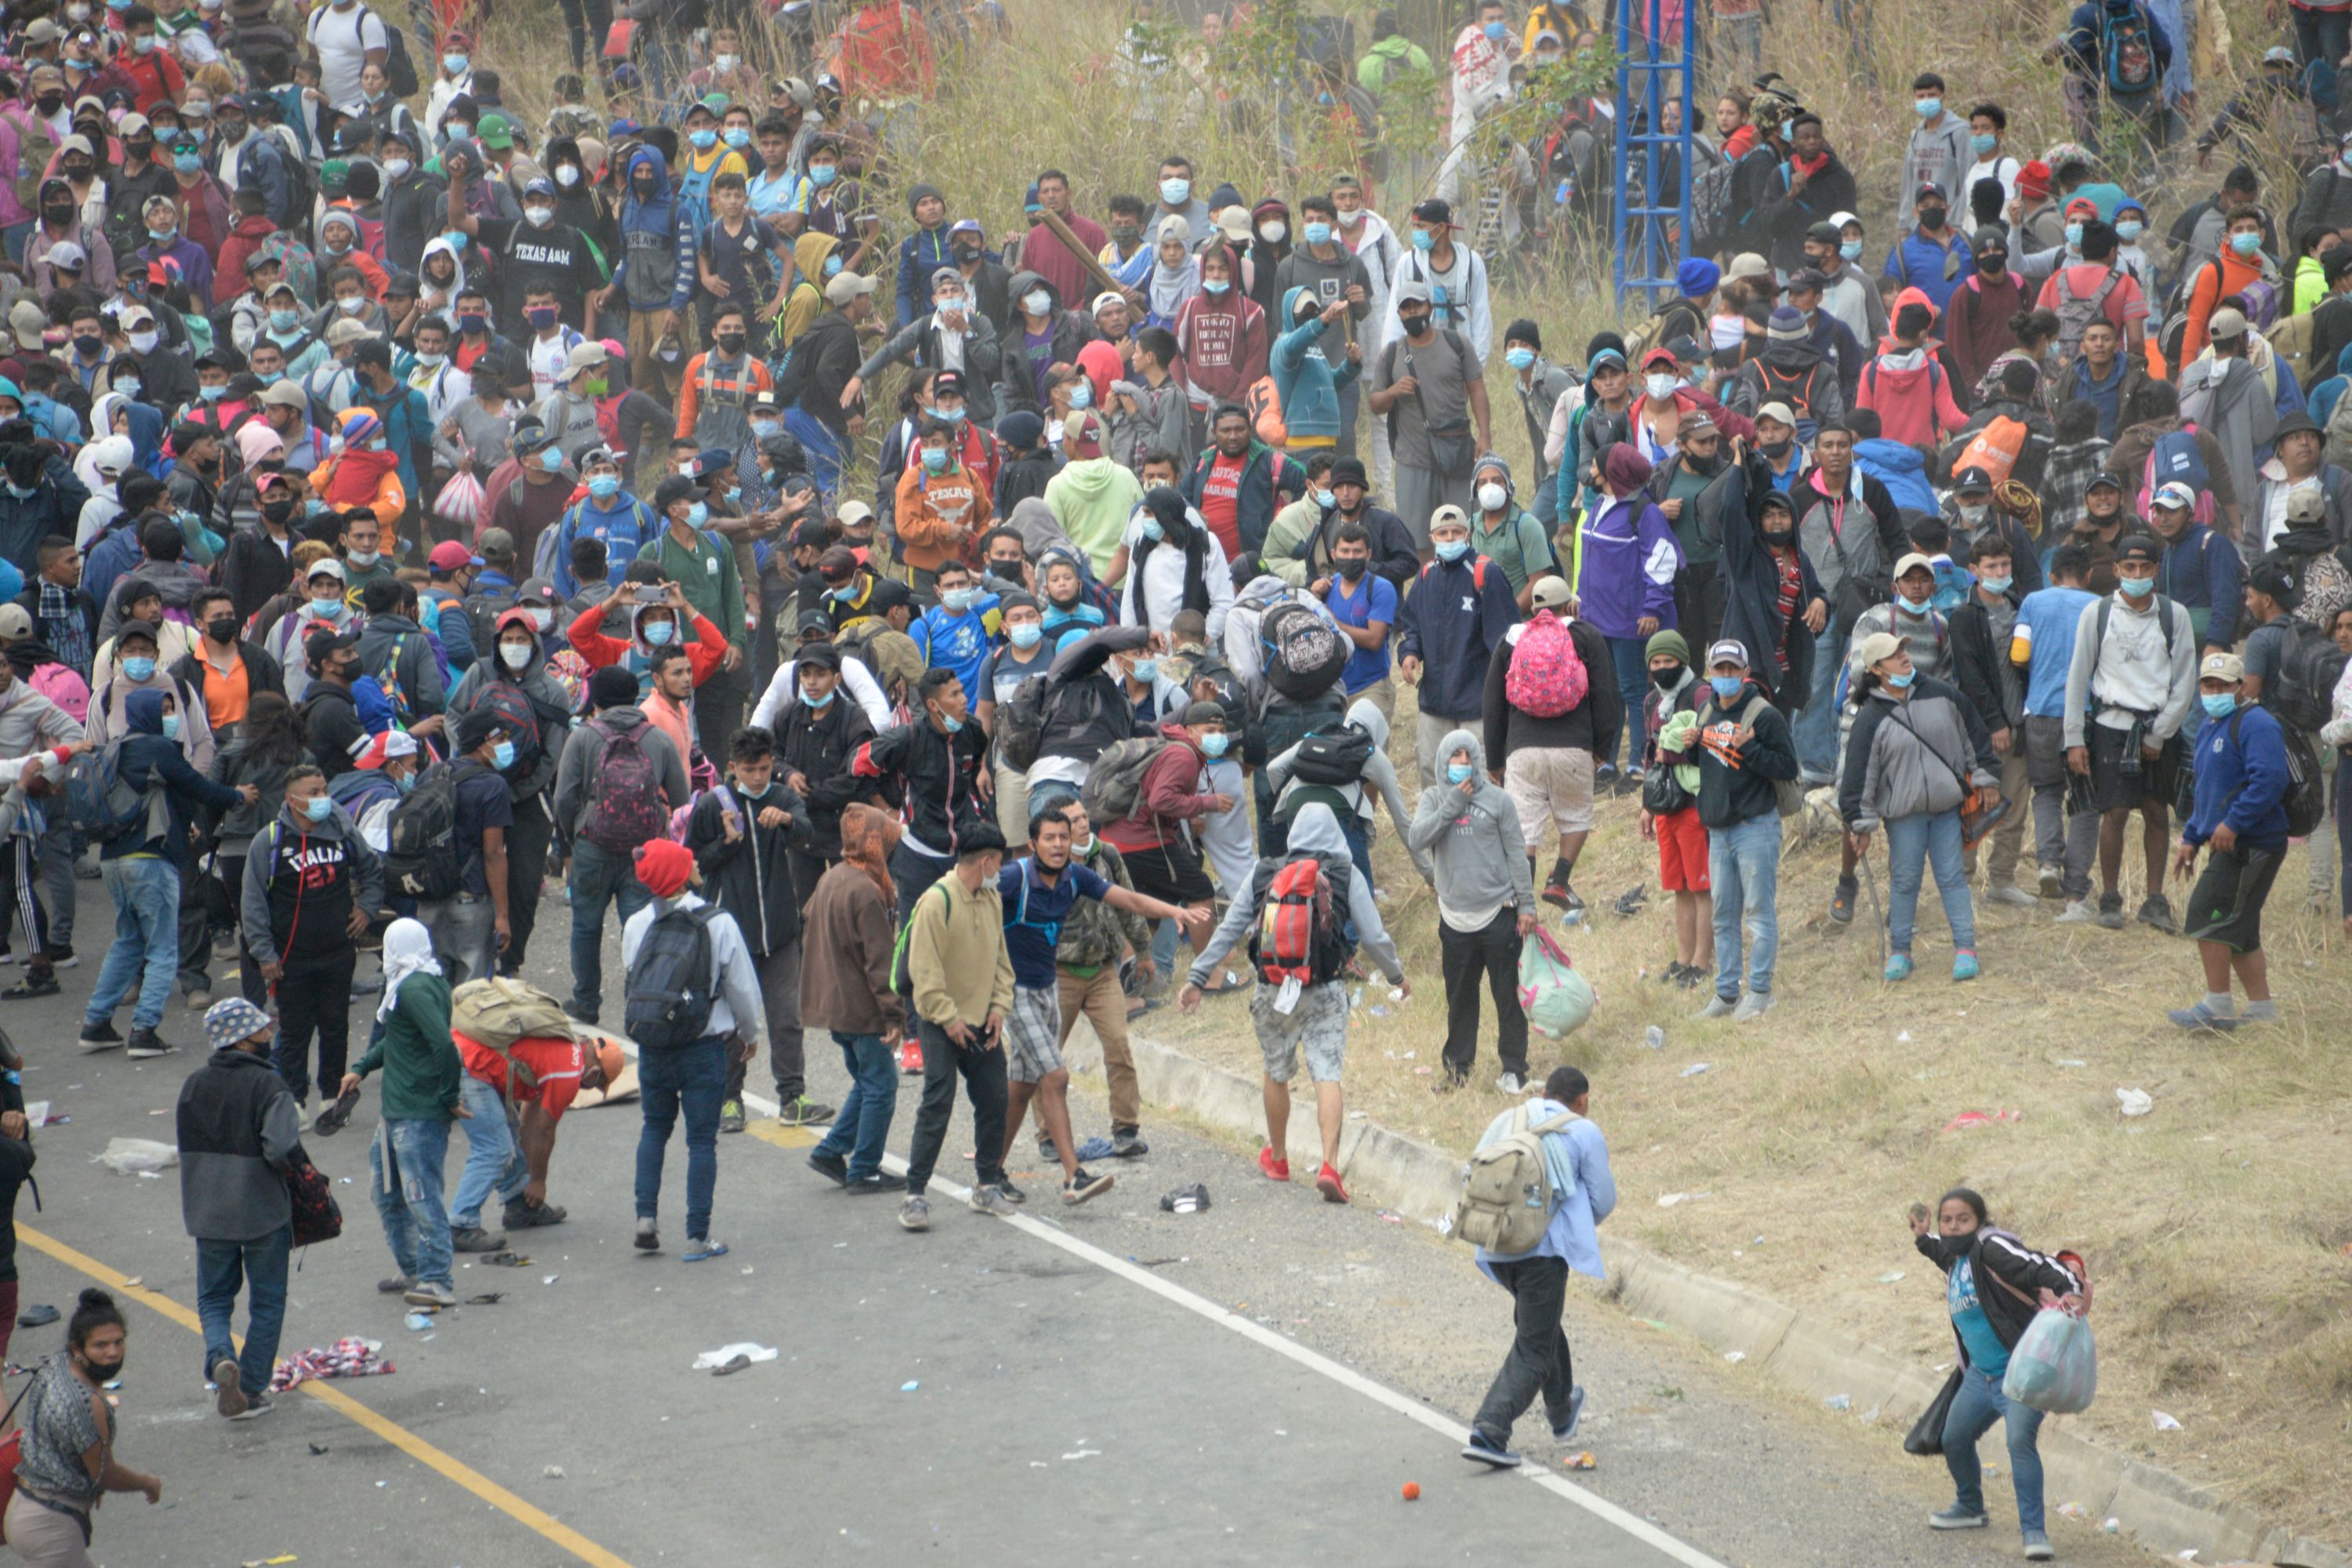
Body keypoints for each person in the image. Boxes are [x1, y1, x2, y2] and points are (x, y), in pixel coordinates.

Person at [1178, 803, 1407, 1205]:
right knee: (1327, 1074)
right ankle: (1330, 1165)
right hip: (1326, 989)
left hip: (1273, 990)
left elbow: (1231, 927)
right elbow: (1372, 936)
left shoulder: (1266, 871)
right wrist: (1397, 976)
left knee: (1276, 1071)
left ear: (1295, 834)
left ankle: (1279, 1158)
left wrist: (1198, 976)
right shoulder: (1344, 873)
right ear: (1334, 834)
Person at [996, 801, 1199, 1203]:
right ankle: (1074, 1176)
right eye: (1049, 838)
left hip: (1048, 989)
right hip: (1016, 992)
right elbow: (965, 895)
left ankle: (990, 1172)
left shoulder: (1079, 875)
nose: (1057, 845)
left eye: (1064, 837)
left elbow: (1132, 902)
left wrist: (1175, 910)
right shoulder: (1012, 878)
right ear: (1033, 844)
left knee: (1021, 1087)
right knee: (1055, 1075)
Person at [1910, 1188, 2085, 1562]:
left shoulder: (1992, 1250)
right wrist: (1924, 1238)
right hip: (1980, 1376)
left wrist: (2070, 1289)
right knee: (1954, 1437)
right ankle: (1970, 1507)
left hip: (2020, 1375)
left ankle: (2034, 1533)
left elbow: (2039, 1265)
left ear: (1980, 1221)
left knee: (2019, 1443)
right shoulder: (1958, 1259)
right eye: (1947, 1221)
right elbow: (1944, 1253)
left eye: (1963, 1220)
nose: (1954, 1227)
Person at [78, 688, 252, 1058]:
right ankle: (144, 1030)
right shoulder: (159, 749)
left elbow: (163, 797)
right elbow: (200, 788)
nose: (172, 716)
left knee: (128, 941)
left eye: (173, 708)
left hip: (113, 859)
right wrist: (238, 796)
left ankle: (96, 1024)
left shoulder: (120, 748)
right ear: (147, 715)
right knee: (162, 948)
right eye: (166, 710)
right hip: (150, 860)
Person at [1458, 1064, 1615, 1470]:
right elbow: (1604, 1200)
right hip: (1542, 1254)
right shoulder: (1583, 1130)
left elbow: (1470, 1172)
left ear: (1545, 1092)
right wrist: (1566, 1221)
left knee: (1542, 1325)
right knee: (1533, 1346)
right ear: (1582, 1101)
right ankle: (1490, 1429)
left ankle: (1562, 1411)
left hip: (1495, 1246)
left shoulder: (1508, 1118)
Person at [622, 837, 765, 1261]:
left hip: (654, 1046)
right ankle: (697, 1235)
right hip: (703, 1046)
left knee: (654, 1128)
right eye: (689, 862)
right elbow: (740, 985)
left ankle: (645, 1217)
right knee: (701, 1141)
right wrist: (750, 1033)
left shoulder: (636, 923)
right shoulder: (718, 922)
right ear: (682, 875)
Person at [684, 725, 832, 1132]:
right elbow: (691, 865)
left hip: (782, 933)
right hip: (732, 938)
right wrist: (727, 843)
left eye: (765, 769)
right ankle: (730, 1100)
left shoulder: (784, 798)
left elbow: (806, 834)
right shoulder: (713, 806)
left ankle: (792, 1097)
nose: (758, 778)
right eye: (749, 770)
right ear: (733, 768)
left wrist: (786, 821)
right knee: (730, 1022)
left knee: (786, 1018)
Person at [1841, 630, 2002, 982]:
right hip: (1903, 818)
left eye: (1903, 650)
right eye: (1894, 654)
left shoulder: (1943, 694)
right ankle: (1901, 952)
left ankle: (1966, 949)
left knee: (1952, 878)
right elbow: (1859, 776)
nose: (1904, 657)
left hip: (1946, 810)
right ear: (1876, 670)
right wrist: (1861, 825)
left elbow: (1974, 737)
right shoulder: (1869, 718)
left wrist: (1986, 778)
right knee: (1904, 882)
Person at [2062, 536, 2198, 931]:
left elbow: (2185, 680)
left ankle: (2155, 901)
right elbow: (2078, 676)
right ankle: (2109, 897)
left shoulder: (2175, 616)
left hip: (2157, 725)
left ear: (2156, 571)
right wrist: (2073, 737)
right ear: (2117, 570)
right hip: (2111, 725)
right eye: (2129, 568)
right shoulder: (2098, 612)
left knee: (2157, 811)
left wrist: (2160, 734)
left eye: (2145, 568)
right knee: (2115, 812)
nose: (2137, 576)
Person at [177, 996, 299, 1422]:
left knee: (213, 1298)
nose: (270, 1035)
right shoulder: (270, 1086)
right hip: (261, 1210)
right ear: (244, 1040)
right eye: (263, 1030)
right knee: (267, 1301)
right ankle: (249, 1388)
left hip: (207, 1211)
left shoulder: (192, 1085)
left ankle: (221, 1359)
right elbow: (282, 1148)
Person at [897, 824, 1017, 1232]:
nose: (1000, 870)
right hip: (940, 1023)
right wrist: (949, 1020)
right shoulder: (936, 902)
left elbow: (1002, 961)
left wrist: (999, 1007)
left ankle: (986, 1185)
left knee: (995, 1099)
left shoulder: (991, 898)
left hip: (982, 1021)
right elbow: (924, 973)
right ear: (985, 862)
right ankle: (915, 1195)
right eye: (998, 863)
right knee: (938, 1102)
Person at [340, 916, 463, 1308]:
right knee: (387, 1192)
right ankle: (413, 1268)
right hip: (397, 1112)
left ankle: (437, 1280)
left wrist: (448, 1097)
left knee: (420, 1195)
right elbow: (397, 1041)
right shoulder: (416, 983)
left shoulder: (413, 989)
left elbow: (444, 1047)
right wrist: (361, 1068)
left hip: (416, 1115)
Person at [242, 764, 382, 1108]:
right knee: (294, 1034)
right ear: (292, 800)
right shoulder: (270, 842)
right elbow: (253, 902)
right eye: (314, 793)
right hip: (291, 960)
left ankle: (332, 1096)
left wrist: (366, 909)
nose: (323, 799)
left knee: (336, 1028)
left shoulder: (343, 832)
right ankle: (294, 1102)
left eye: (324, 791)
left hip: (338, 953)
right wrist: (264, 953)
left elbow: (373, 871)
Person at [556, 665, 689, 1024]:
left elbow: (564, 799)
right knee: (641, 926)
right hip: (643, 852)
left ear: (595, 700)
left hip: (592, 846)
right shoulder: (658, 739)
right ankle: (640, 1001)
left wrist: (576, 834)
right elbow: (681, 799)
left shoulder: (582, 737)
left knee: (586, 926)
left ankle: (586, 1002)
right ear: (636, 697)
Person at [1409, 729, 1537, 1094]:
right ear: (1443, 762)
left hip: (1498, 914)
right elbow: (1417, 839)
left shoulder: (1498, 800)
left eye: (1468, 758)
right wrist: (1451, 807)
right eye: (1455, 758)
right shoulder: (1433, 798)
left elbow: (1517, 854)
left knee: (1507, 998)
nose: (1463, 764)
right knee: (1460, 1000)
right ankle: (1457, 1072)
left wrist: (1526, 905)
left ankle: (1514, 1068)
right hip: (1454, 919)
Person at [1482, 576, 1620, 914]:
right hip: (1574, 748)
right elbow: (1607, 696)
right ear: (1569, 606)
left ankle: (1519, 898)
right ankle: (1559, 879)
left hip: (1522, 750)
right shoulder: (1587, 636)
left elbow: (1493, 703)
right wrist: (1602, 749)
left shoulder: (1512, 639)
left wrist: (1495, 759)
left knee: (1524, 828)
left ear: (1533, 608)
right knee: (1574, 818)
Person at [2168, 652, 2288, 1029]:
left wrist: (2234, 823)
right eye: (2208, 685)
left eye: (2223, 685)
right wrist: (2191, 837)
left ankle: (2217, 1006)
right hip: (2228, 840)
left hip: (2252, 842)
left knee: (2208, 914)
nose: (2215, 691)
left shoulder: (2257, 724)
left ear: (2241, 688)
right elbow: (2207, 789)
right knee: (2241, 929)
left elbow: (2269, 779)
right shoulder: (2210, 725)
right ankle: (2261, 1009)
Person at [3, 1290, 164, 1554]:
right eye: (101, 1345)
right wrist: (147, 1483)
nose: (113, 1352)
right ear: (78, 1348)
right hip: (51, 1527)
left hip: (25, 1513)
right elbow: (103, 1473)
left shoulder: (58, 1365)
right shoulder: (88, 1403)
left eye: (119, 1342)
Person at [1689, 640, 1799, 1018]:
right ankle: (1726, 993)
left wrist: (1750, 749)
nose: (1725, 676)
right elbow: (1710, 767)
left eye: (1732, 670)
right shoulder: (1705, 712)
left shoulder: (1763, 715)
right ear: (1709, 672)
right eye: (1719, 669)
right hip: (1719, 830)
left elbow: (1788, 767)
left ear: (1746, 673)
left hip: (1756, 827)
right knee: (1723, 914)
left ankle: (1762, 990)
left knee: (1758, 911)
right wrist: (1690, 747)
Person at [801, 804, 906, 1193]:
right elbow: (880, 963)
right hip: (862, 1009)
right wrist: (895, 1016)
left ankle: (831, 1150)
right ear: (875, 843)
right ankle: (864, 1168)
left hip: (834, 1006)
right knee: (881, 1086)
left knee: (866, 1082)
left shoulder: (834, 878)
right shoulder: (866, 891)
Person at [448, 1020, 622, 1254]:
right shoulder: (568, 1074)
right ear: (594, 1073)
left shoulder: (566, 1045)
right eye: (597, 1085)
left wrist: (528, 1177)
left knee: (507, 1135)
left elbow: (529, 1112)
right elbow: (544, 1131)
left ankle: (519, 1205)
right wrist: (538, 1181)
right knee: (494, 1149)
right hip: (473, 1066)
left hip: (473, 1059)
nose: (589, 1088)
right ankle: (460, 1226)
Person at [1367, 278, 1492, 549]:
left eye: (1418, 305)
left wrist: (1485, 435)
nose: (1412, 312)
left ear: (1430, 306)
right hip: (1413, 459)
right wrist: (1393, 392)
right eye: (1406, 307)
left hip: (1457, 453)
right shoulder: (1391, 355)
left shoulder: (1457, 344)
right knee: (1418, 539)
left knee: (1464, 530)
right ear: (1398, 313)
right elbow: (1375, 403)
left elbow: (1477, 389)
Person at [411, 707, 514, 985]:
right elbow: (493, 853)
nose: (508, 746)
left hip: (428, 901)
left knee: (434, 989)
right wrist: (503, 916)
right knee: (473, 997)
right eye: (501, 739)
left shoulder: (429, 776)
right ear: (483, 743)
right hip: (470, 901)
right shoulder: (492, 785)